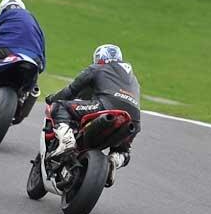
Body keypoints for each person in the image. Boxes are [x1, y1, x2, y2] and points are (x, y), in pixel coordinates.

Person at [45, 44, 141, 185]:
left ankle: (66, 141)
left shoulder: (98, 68)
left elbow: (71, 90)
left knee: (60, 107)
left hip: (106, 105)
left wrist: (53, 98)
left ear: (100, 58)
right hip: (134, 119)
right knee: (123, 149)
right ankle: (115, 160)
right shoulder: (133, 80)